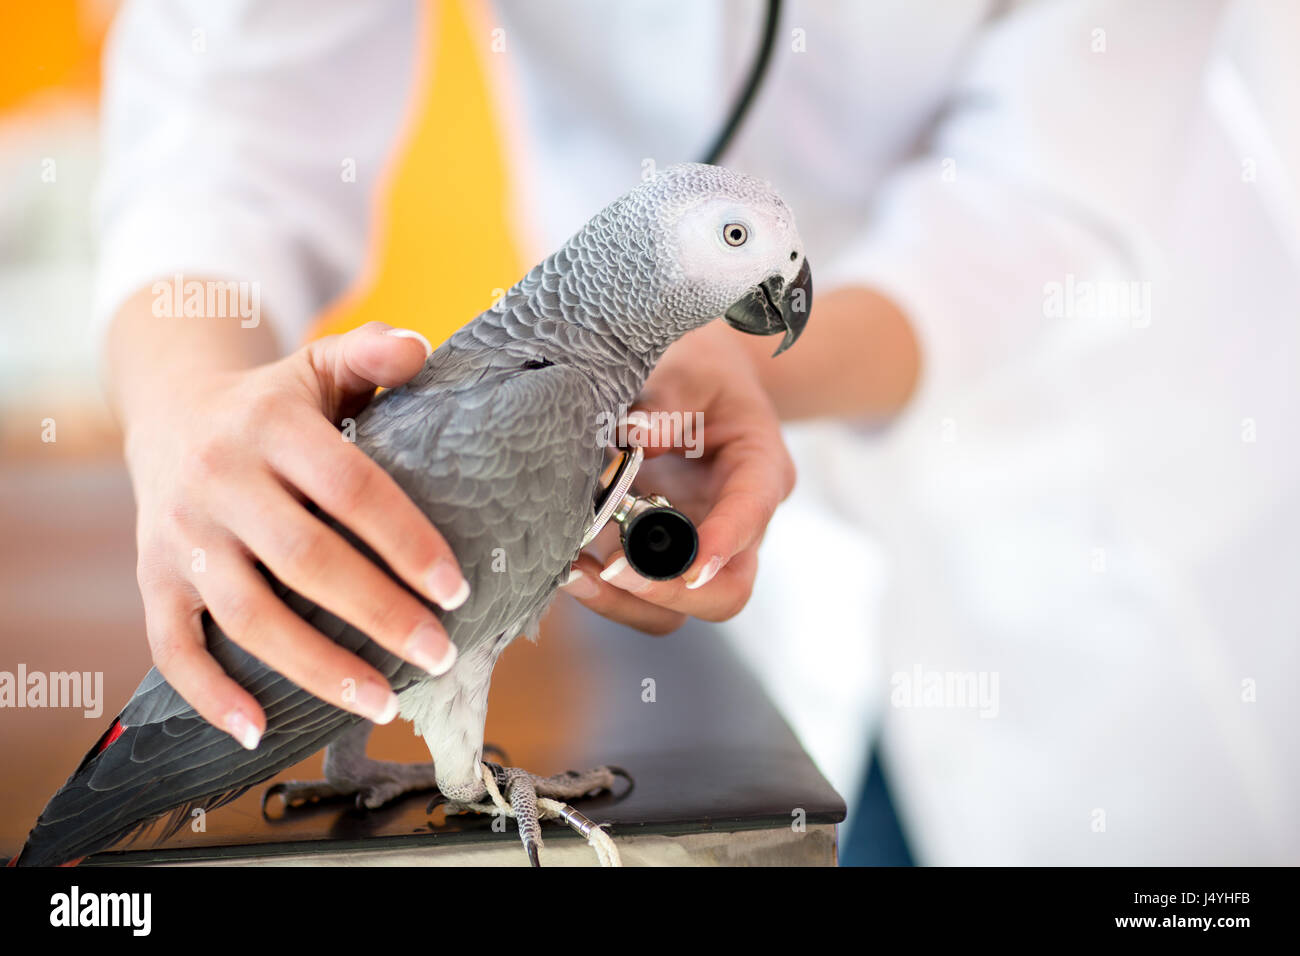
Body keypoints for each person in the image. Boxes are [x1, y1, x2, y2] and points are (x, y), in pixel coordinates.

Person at [101, 1, 1297, 864]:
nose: (776, 276)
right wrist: (184, 404)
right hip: (736, 637)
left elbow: (1043, 197)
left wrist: (757, 370)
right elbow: (223, 98)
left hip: (1100, 506)